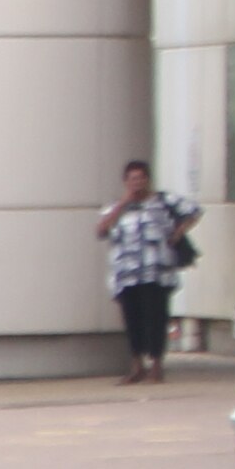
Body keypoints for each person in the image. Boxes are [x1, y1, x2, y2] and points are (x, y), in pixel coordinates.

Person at [99, 160, 197, 387]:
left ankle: (156, 365)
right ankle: (136, 366)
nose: (137, 183)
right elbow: (102, 229)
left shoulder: (163, 201)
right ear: (126, 182)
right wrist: (123, 203)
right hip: (127, 273)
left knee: (156, 318)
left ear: (148, 179)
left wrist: (177, 233)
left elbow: (193, 211)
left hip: (157, 271)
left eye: (141, 178)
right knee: (133, 320)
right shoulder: (117, 207)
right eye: (133, 179)